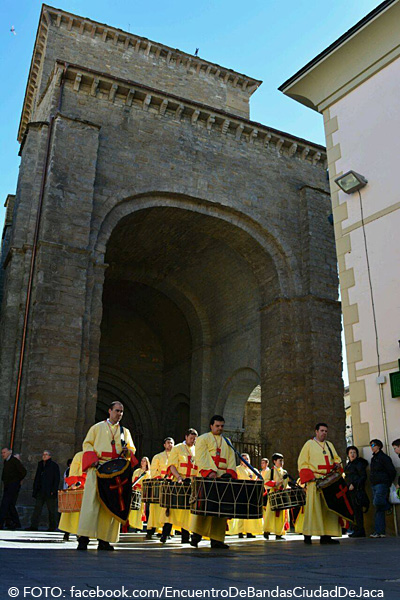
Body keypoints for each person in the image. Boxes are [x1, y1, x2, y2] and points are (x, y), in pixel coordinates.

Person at [77, 401, 136, 551]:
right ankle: (83, 539)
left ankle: (105, 540)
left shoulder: (125, 432)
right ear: (109, 411)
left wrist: (127, 452)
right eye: (117, 410)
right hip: (97, 470)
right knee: (91, 505)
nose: (119, 414)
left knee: (110, 506)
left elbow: (131, 449)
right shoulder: (97, 428)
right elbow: (87, 445)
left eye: (122, 412)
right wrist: (94, 461)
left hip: (115, 473)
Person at [190, 415, 237, 549]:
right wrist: (210, 471)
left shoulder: (227, 441)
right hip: (207, 477)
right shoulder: (203, 438)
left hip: (223, 478)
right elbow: (201, 455)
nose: (220, 428)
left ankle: (217, 539)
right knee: (204, 505)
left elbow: (231, 458)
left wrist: (230, 473)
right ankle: (196, 535)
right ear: (211, 426)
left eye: (222, 426)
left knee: (221, 508)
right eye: (217, 426)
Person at [297, 422, 342, 545]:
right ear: (316, 431)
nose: (324, 433)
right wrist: (310, 477)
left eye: (326, 431)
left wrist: (337, 464)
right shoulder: (309, 444)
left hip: (329, 481)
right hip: (315, 481)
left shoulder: (329, 445)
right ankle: (308, 534)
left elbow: (336, 458)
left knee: (329, 509)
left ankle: (327, 535)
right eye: (322, 431)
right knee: (313, 508)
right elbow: (302, 462)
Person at [166, 428, 198, 544]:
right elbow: (172, 465)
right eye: (191, 438)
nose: (193, 441)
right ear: (186, 437)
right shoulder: (177, 448)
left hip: (192, 483)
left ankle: (185, 537)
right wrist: (179, 477)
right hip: (180, 481)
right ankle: (165, 533)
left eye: (194, 439)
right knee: (174, 510)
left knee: (188, 511)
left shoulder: (196, 450)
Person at [146, 437, 174, 541]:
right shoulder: (157, 456)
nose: (170, 445)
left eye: (172, 443)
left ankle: (167, 532)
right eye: (168, 443)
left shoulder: (175, 456)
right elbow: (154, 470)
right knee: (156, 509)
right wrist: (161, 478)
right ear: (164, 445)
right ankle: (151, 530)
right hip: (160, 485)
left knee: (168, 509)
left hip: (171, 485)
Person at [369, 439, 396, 538]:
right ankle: (380, 531)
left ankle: (387, 506)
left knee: (377, 502)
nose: (371, 447)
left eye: (373, 445)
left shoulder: (384, 458)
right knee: (378, 508)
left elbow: (392, 471)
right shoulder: (374, 458)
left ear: (378, 446)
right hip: (374, 484)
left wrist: (387, 482)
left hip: (382, 483)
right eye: (370, 445)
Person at [27, 450, 60, 531]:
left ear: (49, 456)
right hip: (40, 491)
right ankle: (33, 526)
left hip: (50, 491)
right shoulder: (40, 464)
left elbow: (56, 479)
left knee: (51, 510)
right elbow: (37, 477)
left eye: (46, 454)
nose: (44, 456)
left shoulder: (54, 466)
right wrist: (35, 489)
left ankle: (52, 526)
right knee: (37, 509)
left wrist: (54, 490)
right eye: (43, 454)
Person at [58, 451, 86, 541]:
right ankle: (68, 533)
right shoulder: (79, 456)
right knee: (71, 511)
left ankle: (81, 534)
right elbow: (73, 472)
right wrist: (74, 483)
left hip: (87, 488)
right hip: (77, 488)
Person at [263, 453, 289, 540]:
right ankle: (267, 531)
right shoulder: (270, 471)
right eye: (280, 460)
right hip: (273, 494)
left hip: (282, 495)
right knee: (270, 514)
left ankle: (279, 533)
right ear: (274, 461)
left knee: (281, 515)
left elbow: (286, 484)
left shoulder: (284, 472)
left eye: (282, 461)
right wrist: (275, 483)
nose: (282, 462)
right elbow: (266, 482)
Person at [344, 446, 368, 537]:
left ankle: (360, 530)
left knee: (358, 511)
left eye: (354, 452)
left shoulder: (358, 464)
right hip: (349, 491)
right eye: (351, 452)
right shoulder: (349, 464)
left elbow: (363, 476)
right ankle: (355, 528)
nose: (352, 454)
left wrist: (354, 484)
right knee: (353, 510)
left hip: (357, 491)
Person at [236, 453, 263, 538]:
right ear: (241, 461)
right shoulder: (237, 469)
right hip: (241, 492)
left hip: (251, 493)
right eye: (244, 459)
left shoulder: (253, 469)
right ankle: (240, 531)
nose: (246, 460)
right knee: (240, 513)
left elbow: (258, 478)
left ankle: (249, 531)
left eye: (247, 459)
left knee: (249, 512)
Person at [0, 448, 27, 530]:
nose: (2, 454)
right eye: (2, 453)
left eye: (4, 452)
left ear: (9, 452)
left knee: (5, 504)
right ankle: (14, 523)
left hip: (13, 486)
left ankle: (1, 523)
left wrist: (17, 481)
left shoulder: (14, 461)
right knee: (10, 505)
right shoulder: (7, 461)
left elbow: (23, 472)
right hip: (7, 486)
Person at [128, 456, 150, 532]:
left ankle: (138, 527)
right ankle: (132, 525)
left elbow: (148, 484)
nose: (142, 462)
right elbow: (133, 481)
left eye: (144, 461)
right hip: (135, 491)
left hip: (142, 493)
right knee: (133, 509)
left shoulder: (148, 473)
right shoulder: (137, 471)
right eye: (142, 461)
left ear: (147, 463)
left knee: (141, 510)